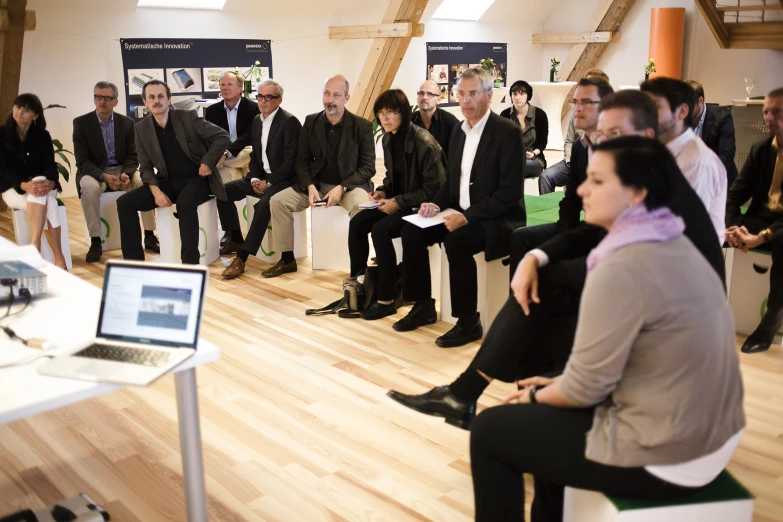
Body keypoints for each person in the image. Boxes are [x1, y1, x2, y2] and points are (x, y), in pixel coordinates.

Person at [387, 90, 726, 430]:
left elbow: (669, 253)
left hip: (665, 293)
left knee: (541, 292)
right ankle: (513, 402)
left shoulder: (687, 165)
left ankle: (478, 393)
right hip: (628, 272)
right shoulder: (623, 157)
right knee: (534, 285)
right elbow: (591, 224)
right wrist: (540, 255)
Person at [470, 136, 745, 522]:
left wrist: (537, 398)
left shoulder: (623, 264)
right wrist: (555, 388)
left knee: (489, 432)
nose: (580, 187)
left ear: (636, 193)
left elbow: (586, 387)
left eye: (597, 181)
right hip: (710, 431)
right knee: (545, 414)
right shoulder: (666, 236)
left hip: (674, 452)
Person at [394, 67, 526, 348]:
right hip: (463, 212)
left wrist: (466, 217)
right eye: (461, 94)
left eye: (473, 94)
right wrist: (435, 203)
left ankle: (469, 322)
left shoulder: (507, 133)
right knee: (412, 232)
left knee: (457, 242)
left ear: (489, 96)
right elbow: (453, 182)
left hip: (498, 219)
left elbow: (509, 193)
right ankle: (423, 305)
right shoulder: (458, 131)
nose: (466, 101)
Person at [349, 89, 445, 320]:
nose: (385, 118)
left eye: (391, 112)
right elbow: (395, 179)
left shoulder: (424, 143)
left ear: (403, 113)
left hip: (423, 206)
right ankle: (360, 283)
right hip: (402, 202)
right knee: (359, 222)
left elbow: (434, 189)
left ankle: (386, 298)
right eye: (381, 113)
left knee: (380, 231)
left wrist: (397, 201)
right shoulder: (389, 139)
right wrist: (383, 191)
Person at [265, 75, 375, 278]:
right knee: (278, 202)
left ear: (346, 98)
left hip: (350, 186)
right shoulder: (311, 121)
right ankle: (287, 259)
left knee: (362, 211)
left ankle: (359, 269)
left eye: (336, 95)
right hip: (318, 184)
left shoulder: (362, 126)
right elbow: (301, 160)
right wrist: (309, 186)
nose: (329, 99)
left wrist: (342, 187)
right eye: (326, 93)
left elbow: (368, 168)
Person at [509, 77, 614, 278]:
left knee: (560, 270)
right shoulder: (580, 147)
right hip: (582, 228)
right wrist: (564, 236)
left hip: (610, 235)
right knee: (520, 238)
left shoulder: (619, 148)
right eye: (575, 102)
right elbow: (571, 200)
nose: (578, 108)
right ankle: (520, 304)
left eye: (586, 102)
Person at [117, 80, 229, 264]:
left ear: (169, 99)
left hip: (197, 179)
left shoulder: (188, 117)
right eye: (151, 97)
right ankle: (133, 263)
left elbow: (221, 136)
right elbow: (144, 167)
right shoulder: (141, 128)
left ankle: (189, 265)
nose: (156, 101)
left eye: (161, 96)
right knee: (125, 203)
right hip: (166, 182)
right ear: (145, 101)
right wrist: (156, 191)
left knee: (185, 203)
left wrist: (208, 162)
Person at [218, 80, 302, 278]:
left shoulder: (289, 122)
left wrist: (269, 182)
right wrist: (255, 177)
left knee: (264, 204)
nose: (263, 101)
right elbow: (255, 155)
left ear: (279, 100)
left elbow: (291, 162)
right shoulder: (257, 121)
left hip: (284, 180)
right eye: (260, 96)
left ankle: (242, 257)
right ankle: (235, 237)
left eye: (268, 97)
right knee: (224, 191)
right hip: (260, 177)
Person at [73, 81, 158, 264]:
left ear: (116, 101)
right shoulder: (81, 123)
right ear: (94, 98)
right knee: (88, 188)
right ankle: (96, 241)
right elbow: (82, 161)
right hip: (96, 172)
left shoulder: (127, 123)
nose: (102, 101)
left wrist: (126, 173)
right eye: (98, 97)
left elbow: (133, 155)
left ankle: (150, 235)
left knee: (144, 182)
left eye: (107, 98)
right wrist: (103, 176)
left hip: (121, 168)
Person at [726, 87, 783, 354]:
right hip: (762, 216)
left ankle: (769, 324)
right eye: (766, 112)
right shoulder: (761, 150)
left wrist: (761, 238)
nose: (769, 118)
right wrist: (734, 227)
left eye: (777, 112)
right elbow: (735, 194)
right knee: (709, 234)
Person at [641, 77, 726, 243]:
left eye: (655, 106)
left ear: (682, 112)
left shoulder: (698, 162)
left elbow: (679, 227)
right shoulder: (659, 152)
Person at [0, 93, 66, 268]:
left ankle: (34, 246)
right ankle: (58, 259)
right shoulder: (1, 134)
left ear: (35, 115)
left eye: (27, 109)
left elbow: (50, 166)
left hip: (42, 185)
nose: (20, 112)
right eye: (18, 106)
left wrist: (51, 183)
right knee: (49, 203)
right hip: (13, 188)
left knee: (39, 185)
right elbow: (4, 170)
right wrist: (23, 185)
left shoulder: (43, 136)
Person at [538, 68, 609, 194]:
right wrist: (570, 162)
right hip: (573, 162)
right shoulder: (576, 112)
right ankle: (547, 210)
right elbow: (569, 140)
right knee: (546, 177)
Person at [205, 71, 260, 184]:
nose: (225, 88)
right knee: (224, 175)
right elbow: (212, 137)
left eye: (230, 84)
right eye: (222, 84)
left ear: (240, 88)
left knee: (249, 152)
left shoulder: (253, 108)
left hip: (244, 151)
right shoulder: (212, 111)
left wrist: (227, 154)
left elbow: (249, 136)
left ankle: (211, 163)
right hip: (227, 156)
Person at [686, 80, 738, 187]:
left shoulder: (723, 119)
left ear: (700, 100)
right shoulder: (681, 119)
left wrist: (703, 174)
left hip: (718, 180)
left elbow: (726, 155)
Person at [500, 80, 548, 177]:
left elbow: (543, 142)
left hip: (534, 159)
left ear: (528, 96)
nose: (517, 97)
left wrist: (533, 154)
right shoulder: (505, 114)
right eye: (514, 94)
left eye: (522, 94)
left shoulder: (539, 114)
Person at [412, 80, 460, 158]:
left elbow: (457, 156)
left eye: (430, 94)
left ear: (439, 99)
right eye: (421, 93)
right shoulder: (409, 122)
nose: (424, 97)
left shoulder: (450, 122)